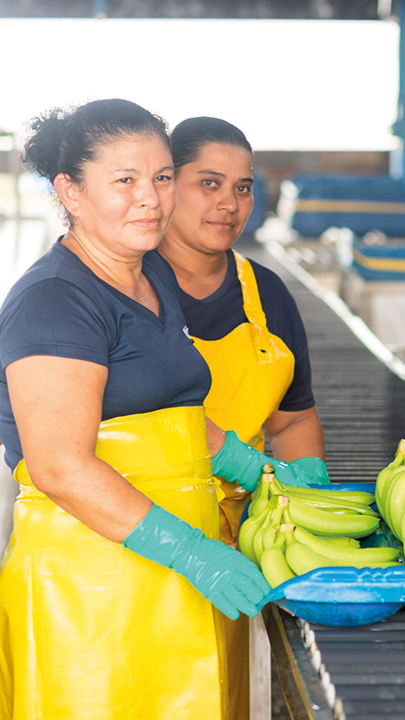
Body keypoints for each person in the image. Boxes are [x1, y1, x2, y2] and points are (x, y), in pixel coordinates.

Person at [0, 99, 315, 719]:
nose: (152, 198)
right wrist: (193, 554)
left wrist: (255, 469)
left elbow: (166, 412)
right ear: (71, 190)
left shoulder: (150, 277)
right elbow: (61, 465)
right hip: (92, 591)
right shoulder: (56, 300)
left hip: (170, 568)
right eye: (125, 180)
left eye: (162, 177)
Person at [158, 116, 327, 720]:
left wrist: (307, 498)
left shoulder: (267, 294)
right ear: (164, 184)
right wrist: (238, 458)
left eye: (244, 187)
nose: (230, 204)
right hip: (140, 537)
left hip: (236, 547)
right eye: (209, 183)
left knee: (222, 697)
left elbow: (292, 419)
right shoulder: (123, 286)